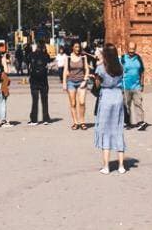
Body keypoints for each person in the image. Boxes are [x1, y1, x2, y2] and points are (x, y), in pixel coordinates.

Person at [94, 43, 126, 174]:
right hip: (118, 96)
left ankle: (106, 166)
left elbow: (97, 85)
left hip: (106, 96)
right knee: (118, 129)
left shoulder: (101, 68)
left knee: (105, 130)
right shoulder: (120, 67)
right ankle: (121, 166)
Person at [63, 40, 89, 130]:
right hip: (71, 82)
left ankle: (82, 121)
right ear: (72, 48)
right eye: (76, 47)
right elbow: (65, 70)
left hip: (81, 82)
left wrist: (85, 80)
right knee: (73, 103)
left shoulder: (83, 57)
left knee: (82, 103)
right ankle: (75, 122)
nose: (78, 49)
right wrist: (64, 83)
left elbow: (87, 69)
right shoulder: (68, 58)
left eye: (79, 47)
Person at [122, 47, 147, 130]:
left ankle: (140, 122)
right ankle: (128, 122)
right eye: (130, 51)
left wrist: (142, 84)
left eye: (133, 51)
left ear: (135, 50)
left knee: (138, 103)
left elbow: (142, 72)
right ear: (127, 50)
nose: (131, 52)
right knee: (126, 105)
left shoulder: (138, 59)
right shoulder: (123, 59)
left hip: (136, 86)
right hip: (126, 85)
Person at [28, 39, 52, 124]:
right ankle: (45, 118)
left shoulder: (31, 54)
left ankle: (34, 119)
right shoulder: (46, 55)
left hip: (34, 80)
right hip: (43, 80)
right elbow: (49, 65)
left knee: (35, 100)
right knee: (44, 100)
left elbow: (28, 64)